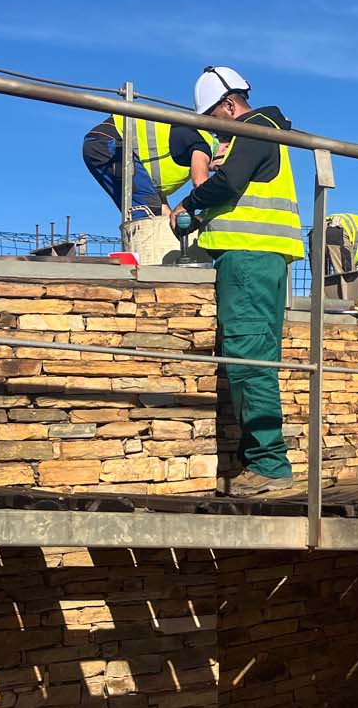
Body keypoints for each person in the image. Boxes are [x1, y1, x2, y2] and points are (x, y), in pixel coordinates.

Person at [171, 66, 303, 497]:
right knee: (257, 357)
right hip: (261, 259)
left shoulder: (251, 129)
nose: (214, 132)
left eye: (213, 118)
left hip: (248, 258)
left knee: (248, 358)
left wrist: (187, 203)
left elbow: (227, 184)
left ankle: (269, 466)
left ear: (229, 104)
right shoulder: (258, 132)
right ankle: (264, 462)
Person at [82, 111, 214, 219]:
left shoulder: (190, 146)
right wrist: (200, 216)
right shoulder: (206, 144)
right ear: (225, 148)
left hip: (103, 142)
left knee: (150, 212)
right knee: (146, 211)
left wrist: (172, 220)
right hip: (112, 140)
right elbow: (201, 184)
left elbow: (159, 204)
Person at [313, 213, 358, 301]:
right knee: (348, 284)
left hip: (315, 232)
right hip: (336, 233)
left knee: (320, 281)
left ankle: (319, 306)